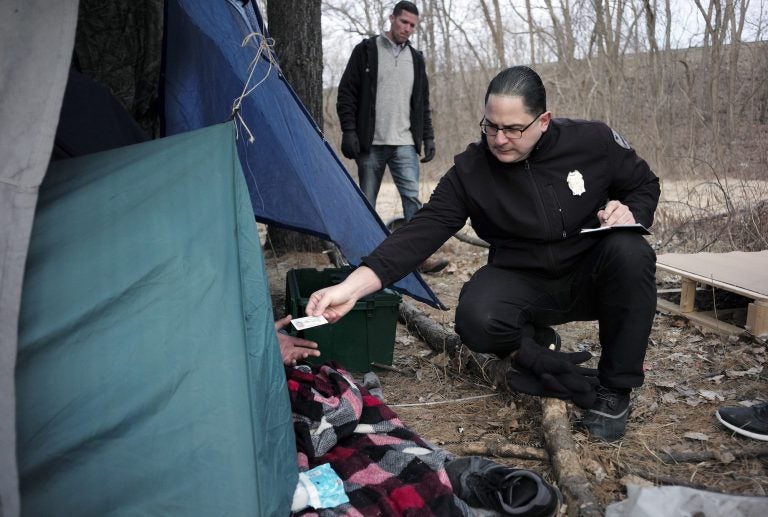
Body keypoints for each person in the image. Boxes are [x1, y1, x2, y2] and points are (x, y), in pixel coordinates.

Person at [308, 65, 660, 442]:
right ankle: (531, 347)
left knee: (631, 251)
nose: (499, 139)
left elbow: (643, 185)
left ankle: (614, 390)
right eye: (490, 126)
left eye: (512, 129)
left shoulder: (593, 141)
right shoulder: (472, 170)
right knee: (477, 317)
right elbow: (420, 233)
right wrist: (352, 288)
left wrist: (630, 211)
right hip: (522, 278)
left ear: (544, 120)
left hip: (590, 274)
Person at [336, 0, 447, 274]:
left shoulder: (416, 59)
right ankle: (363, 255)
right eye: (403, 22)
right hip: (370, 143)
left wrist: (428, 137)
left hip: (405, 143)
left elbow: (422, 104)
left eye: (412, 25)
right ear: (391, 18)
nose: (407, 28)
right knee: (367, 201)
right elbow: (346, 93)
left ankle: (416, 258)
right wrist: (349, 130)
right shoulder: (366, 50)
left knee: (413, 200)